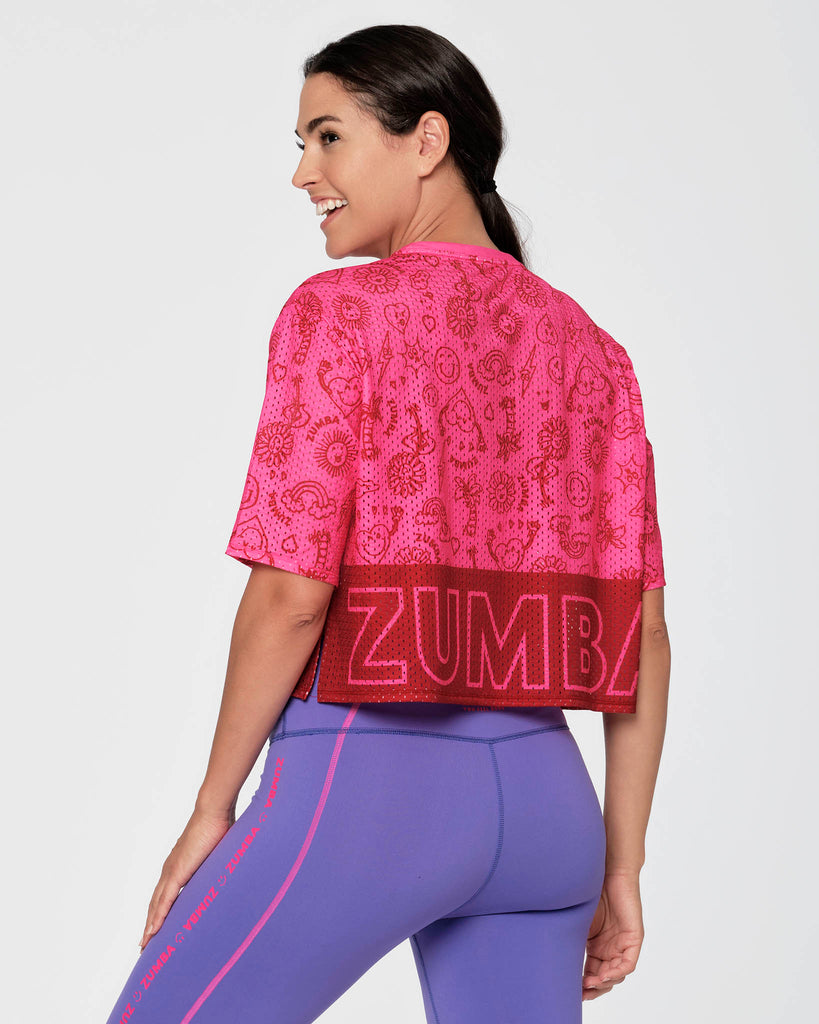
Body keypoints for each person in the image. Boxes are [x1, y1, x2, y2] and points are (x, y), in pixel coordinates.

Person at [103, 24, 671, 1024]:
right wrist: (620, 864)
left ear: (427, 139)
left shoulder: (343, 312)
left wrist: (211, 810)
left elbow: (292, 594)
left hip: (366, 791)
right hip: (548, 808)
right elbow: (646, 631)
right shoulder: (594, 350)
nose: (303, 173)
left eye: (327, 137)